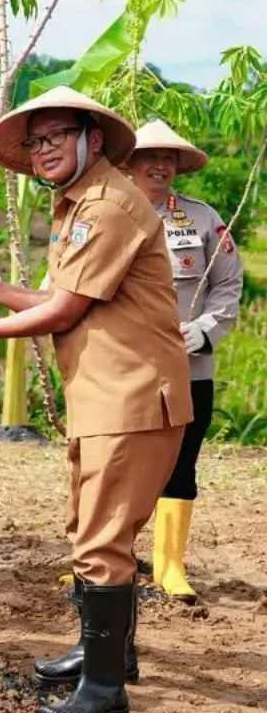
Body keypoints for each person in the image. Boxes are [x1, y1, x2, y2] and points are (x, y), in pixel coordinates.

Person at [0, 85, 193, 713]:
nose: (44, 149)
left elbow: (66, 309)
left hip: (132, 398)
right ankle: (107, 653)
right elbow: (58, 294)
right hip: (104, 398)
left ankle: (104, 688)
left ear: (92, 139)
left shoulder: (107, 206)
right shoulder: (77, 204)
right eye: (36, 140)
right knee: (91, 530)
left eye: (56, 136)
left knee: (103, 540)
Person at [126, 120, 243, 602]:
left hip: (188, 367)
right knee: (117, 466)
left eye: (170, 157)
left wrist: (207, 330)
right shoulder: (105, 212)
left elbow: (228, 284)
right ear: (127, 162)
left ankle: (169, 567)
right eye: (150, 155)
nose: (161, 165)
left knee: (181, 461)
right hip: (122, 368)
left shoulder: (201, 218)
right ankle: (105, 561)